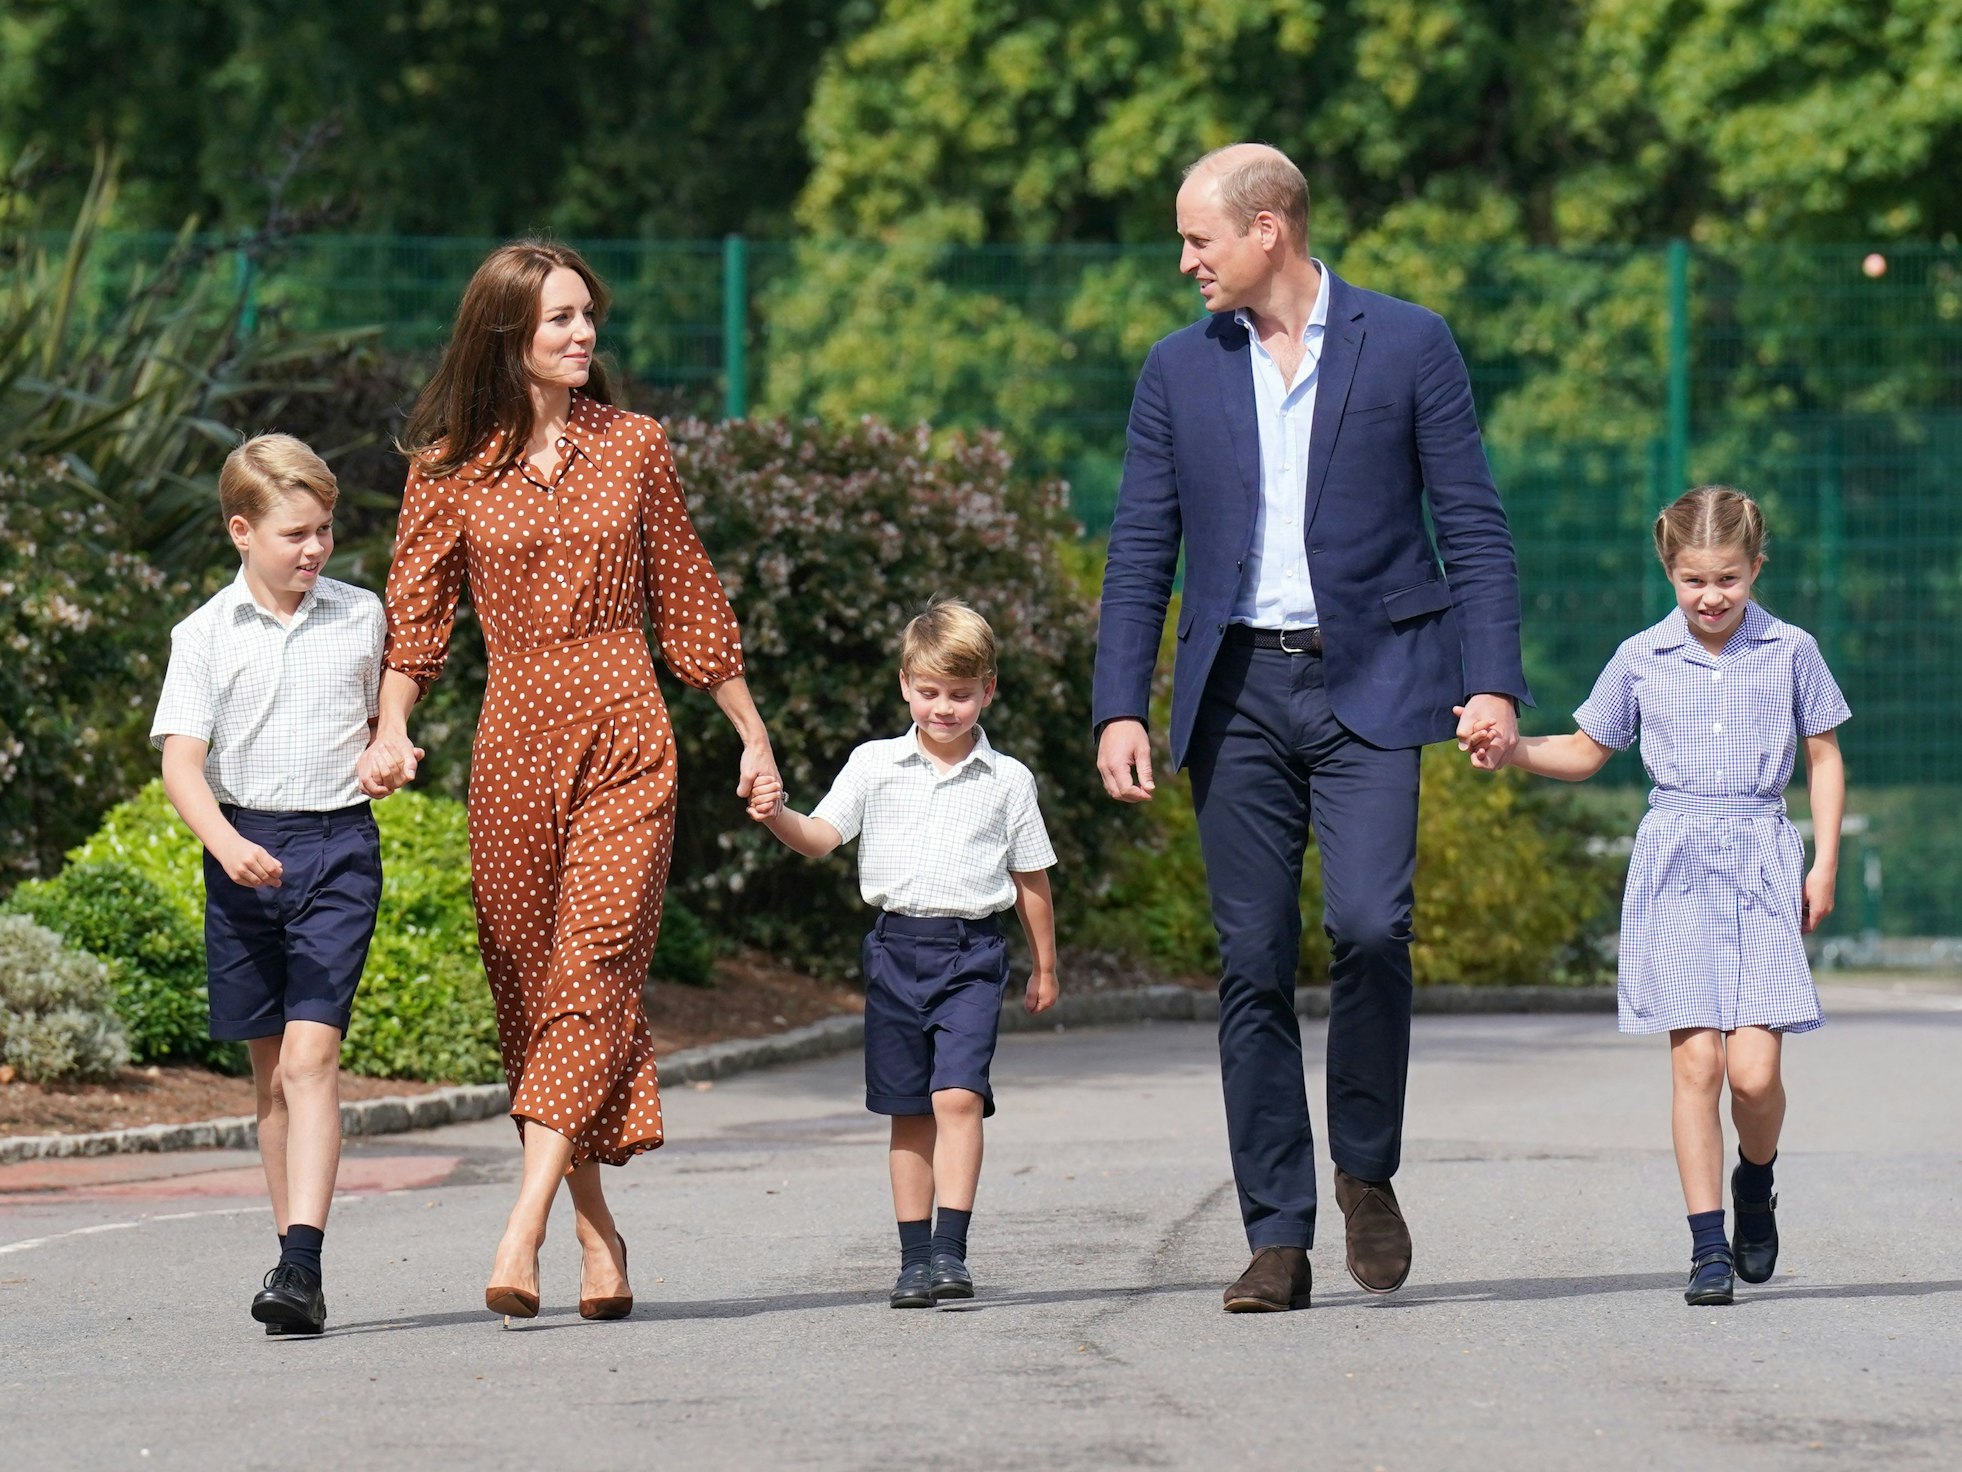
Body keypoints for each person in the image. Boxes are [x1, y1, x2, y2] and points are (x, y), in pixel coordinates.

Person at [1092, 143, 1531, 1313]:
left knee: (1373, 926)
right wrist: (1120, 703)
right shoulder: (1177, 369)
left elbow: (1473, 524)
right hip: (1234, 691)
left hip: (1379, 680)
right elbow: (1142, 546)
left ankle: (1366, 1168)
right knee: (1251, 963)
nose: (1185, 261)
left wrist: (1493, 680)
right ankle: (1277, 1230)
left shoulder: (1410, 341)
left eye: (1200, 238)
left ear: (1268, 229)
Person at [363, 239, 780, 1322]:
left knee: (593, 968)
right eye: (559, 319)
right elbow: (415, 622)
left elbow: (687, 595)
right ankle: (601, 1233)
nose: (584, 333)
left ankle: (522, 1224)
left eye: (588, 315)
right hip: (510, 746)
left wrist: (751, 732)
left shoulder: (634, 445)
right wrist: (393, 731)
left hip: (626, 731)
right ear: (509, 333)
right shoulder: (448, 464)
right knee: (533, 993)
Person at [1462, 485, 1847, 1306]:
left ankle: (1756, 1179)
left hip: (1760, 856)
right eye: (1694, 580)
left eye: (1730, 579)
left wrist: (1823, 864)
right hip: (1674, 860)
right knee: (1698, 1063)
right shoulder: (1642, 656)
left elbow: (1824, 756)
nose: (1712, 597)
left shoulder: (1791, 650)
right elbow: (1583, 748)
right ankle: (1708, 1249)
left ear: (1755, 568)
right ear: (1669, 571)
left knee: (1754, 1075)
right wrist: (1511, 750)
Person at [747, 599, 1058, 1308]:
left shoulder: (1007, 780)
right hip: (894, 951)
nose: (943, 708)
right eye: (929, 692)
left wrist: (1046, 964)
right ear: (904, 685)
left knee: (957, 1097)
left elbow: (1031, 877)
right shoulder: (874, 765)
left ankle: (951, 1252)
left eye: (960, 694)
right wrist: (774, 816)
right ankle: (914, 1260)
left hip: (971, 952)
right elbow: (821, 837)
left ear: (988, 691)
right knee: (909, 1111)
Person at [153, 433, 387, 1336]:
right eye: (296, 533)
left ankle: (298, 1264)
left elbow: (383, 719)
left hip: (336, 852)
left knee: (309, 1060)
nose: (315, 549)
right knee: (269, 1084)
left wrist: (389, 749)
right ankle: (301, 1276)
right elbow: (182, 764)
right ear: (242, 531)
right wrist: (223, 841)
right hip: (242, 851)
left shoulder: (361, 615)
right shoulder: (204, 635)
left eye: (325, 530)